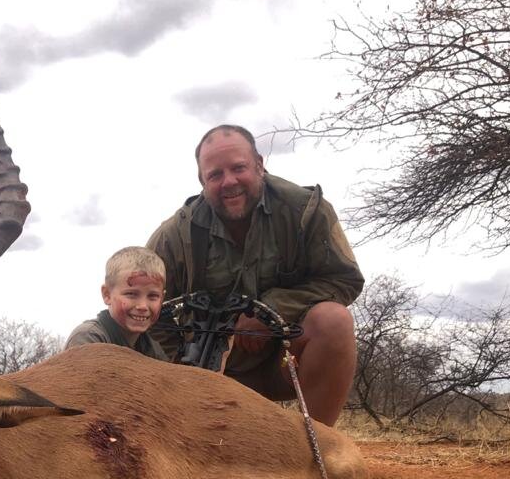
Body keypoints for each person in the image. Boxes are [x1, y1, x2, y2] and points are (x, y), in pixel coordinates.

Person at [146, 124, 363, 425]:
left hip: (286, 364)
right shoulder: (174, 235)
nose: (229, 182)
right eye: (215, 175)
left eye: (238, 168)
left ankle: (315, 454)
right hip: (207, 377)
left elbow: (345, 279)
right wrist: (179, 371)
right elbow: (144, 310)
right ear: (202, 181)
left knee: (334, 320)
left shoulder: (306, 211)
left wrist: (270, 312)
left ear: (259, 165)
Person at [65, 246, 170, 360]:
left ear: (162, 298)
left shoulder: (154, 350)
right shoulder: (88, 338)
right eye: (131, 294)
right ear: (107, 295)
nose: (143, 306)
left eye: (153, 296)